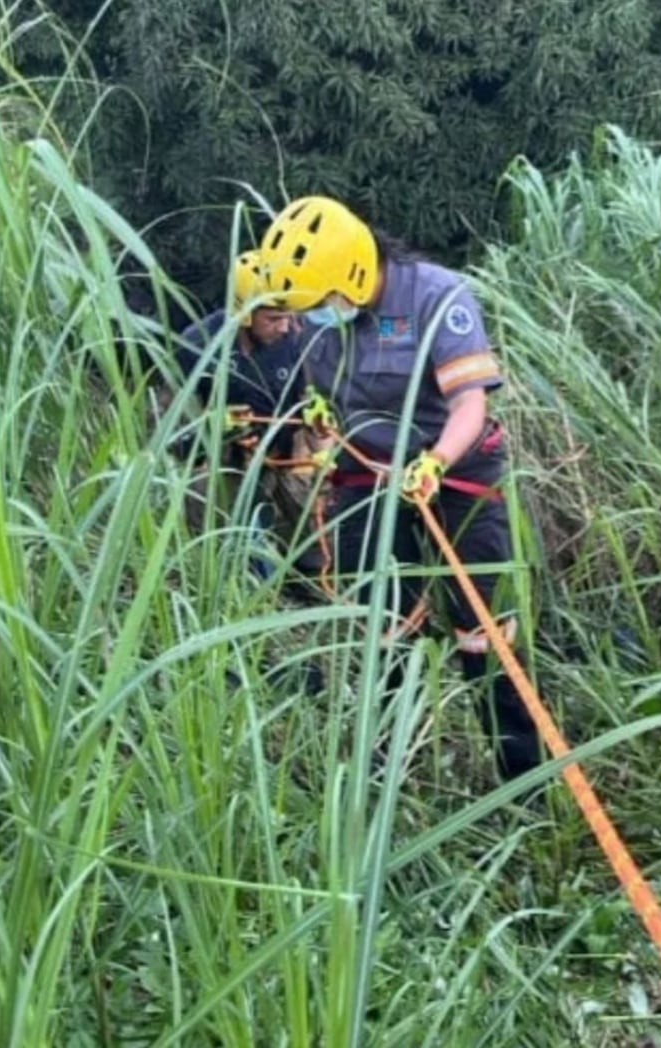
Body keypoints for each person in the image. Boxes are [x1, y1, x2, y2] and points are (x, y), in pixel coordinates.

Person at [258, 195, 542, 782]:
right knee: (383, 624)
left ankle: (523, 780)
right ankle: (389, 772)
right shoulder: (315, 314)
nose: (305, 321)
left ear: (354, 276)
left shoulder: (437, 297)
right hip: (367, 473)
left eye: (317, 306)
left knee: (483, 628)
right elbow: (325, 389)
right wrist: (318, 419)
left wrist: (435, 461)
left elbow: (470, 402)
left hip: (456, 471)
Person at [167, 250, 322, 576]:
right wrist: (213, 427)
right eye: (273, 318)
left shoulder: (298, 338)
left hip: (287, 459)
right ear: (245, 314)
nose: (285, 327)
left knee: (318, 543)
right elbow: (168, 431)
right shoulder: (198, 346)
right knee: (222, 513)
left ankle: (312, 583)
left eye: (288, 316)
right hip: (227, 463)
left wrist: (321, 438)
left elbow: (315, 402)